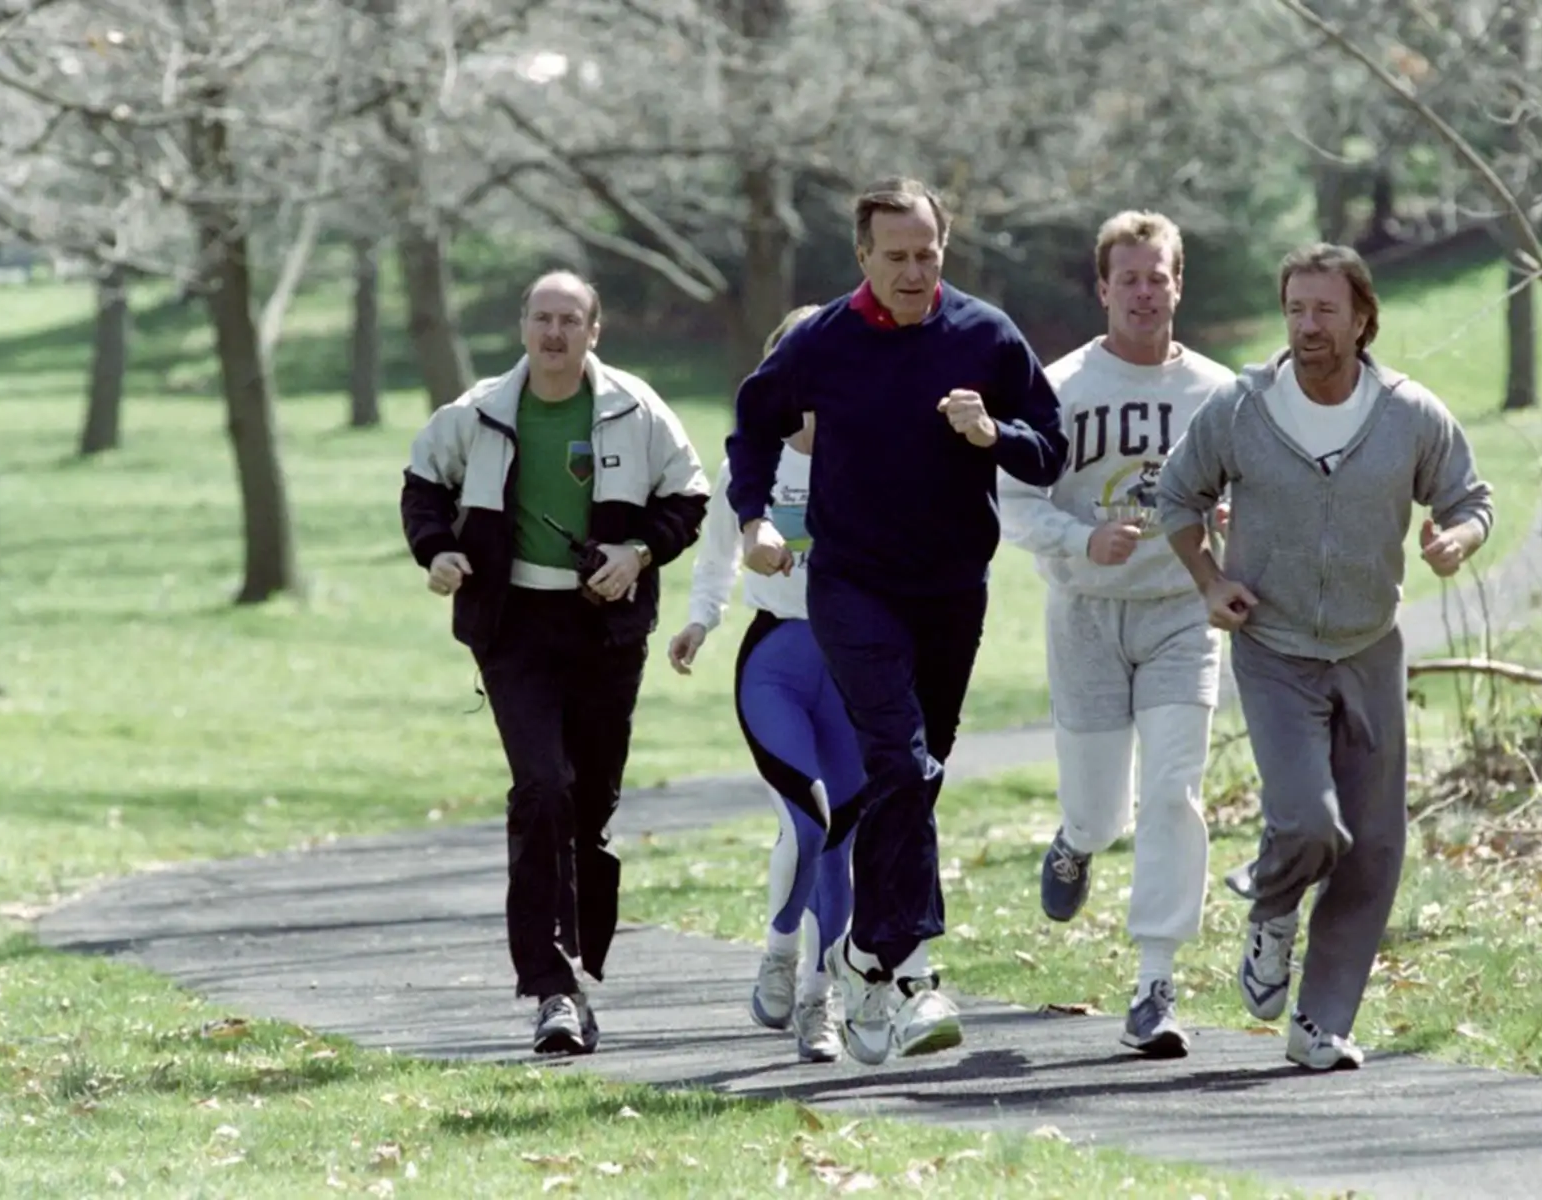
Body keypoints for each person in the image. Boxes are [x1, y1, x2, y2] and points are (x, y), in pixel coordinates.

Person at [725, 177, 1069, 1066]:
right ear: (863, 258)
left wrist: (995, 435)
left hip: (954, 589)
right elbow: (753, 422)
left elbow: (1051, 448)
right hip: (853, 585)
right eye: (898, 257)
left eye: (929, 255)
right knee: (898, 757)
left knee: (917, 777)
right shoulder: (824, 342)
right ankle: (912, 975)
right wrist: (754, 514)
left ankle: (861, 962)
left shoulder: (987, 335)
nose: (916, 272)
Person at [1155, 242, 1494, 1070]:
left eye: (1325, 310)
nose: (1307, 326)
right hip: (1272, 647)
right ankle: (1272, 909)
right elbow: (1178, 494)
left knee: (1375, 845)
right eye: (1296, 309)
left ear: (1362, 319)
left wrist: (1458, 538)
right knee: (1308, 820)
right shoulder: (1243, 408)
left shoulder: (1408, 413)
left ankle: (1319, 1023)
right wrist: (1207, 580)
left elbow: (1470, 497)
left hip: (1370, 647)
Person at [400, 270, 709, 1057]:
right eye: (542, 318)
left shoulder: (636, 410)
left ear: (594, 332)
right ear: (523, 327)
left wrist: (637, 552)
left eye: (571, 320)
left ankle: (580, 959)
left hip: (605, 631)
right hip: (515, 628)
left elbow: (690, 497)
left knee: (590, 809)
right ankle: (552, 986)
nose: (555, 334)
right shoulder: (478, 414)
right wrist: (436, 553)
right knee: (543, 788)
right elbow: (421, 487)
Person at [997, 210, 1234, 1059]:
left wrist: (1232, 527)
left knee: (1173, 789)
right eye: (1127, 278)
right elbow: (1015, 502)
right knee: (1102, 811)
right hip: (1087, 612)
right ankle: (1074, 843)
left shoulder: (1218, 394)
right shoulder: (1057, 388)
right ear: (1102, 288)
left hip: (1180, 609)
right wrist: (1081, 540)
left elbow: (1252, 494)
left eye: (1158, 276)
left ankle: (1154, 982)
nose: (1144, 292)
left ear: (1178, 283)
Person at [666, 304, 861, 1064]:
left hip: (852, 664)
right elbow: (716, 553)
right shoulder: (752, 461)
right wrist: (699, 621)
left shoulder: (866, 455)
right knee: (806, 822)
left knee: (837, 841)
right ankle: (782, 947)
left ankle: (819, 997)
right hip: (776, 660)